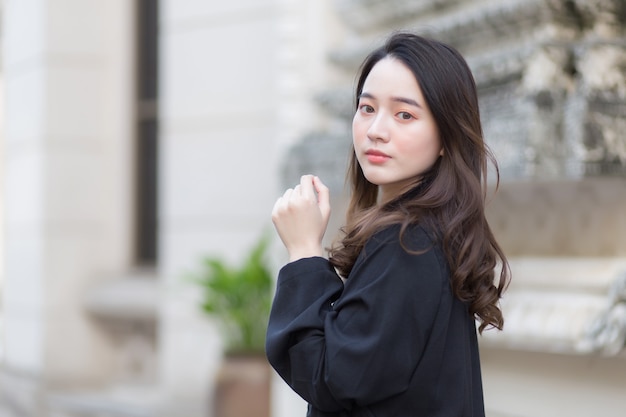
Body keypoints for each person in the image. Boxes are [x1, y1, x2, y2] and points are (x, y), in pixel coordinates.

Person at [266, 31, 510, 417]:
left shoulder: (410, 243)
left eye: (405, 114)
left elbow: (335, 379)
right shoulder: (429, 232)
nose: (376, 130)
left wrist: (303, 253)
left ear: (447, 136)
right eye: (366, 108)